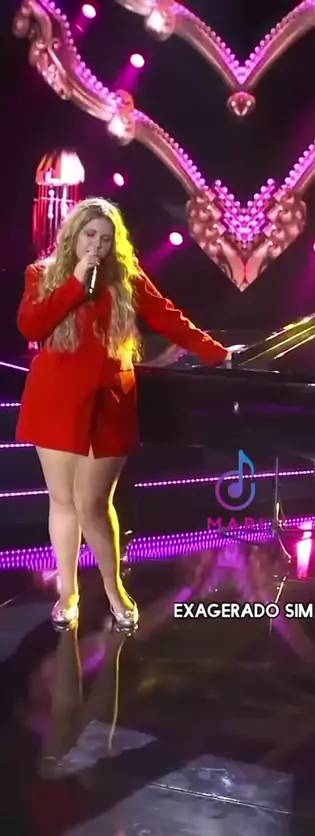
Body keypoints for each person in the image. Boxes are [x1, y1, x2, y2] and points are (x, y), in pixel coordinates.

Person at [16, 197, 231, 631]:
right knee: (62, 501)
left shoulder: (127, 277)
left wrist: (217, 352)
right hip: (54, 399)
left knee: (94, 505)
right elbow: (31, 326)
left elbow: (168, 318)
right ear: (73, 235)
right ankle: (68, 593)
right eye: (89, 235)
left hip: (108, 401)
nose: (96, 245)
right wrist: (75, 282)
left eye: (105, 238)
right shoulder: (42, 274)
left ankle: (114, 589)